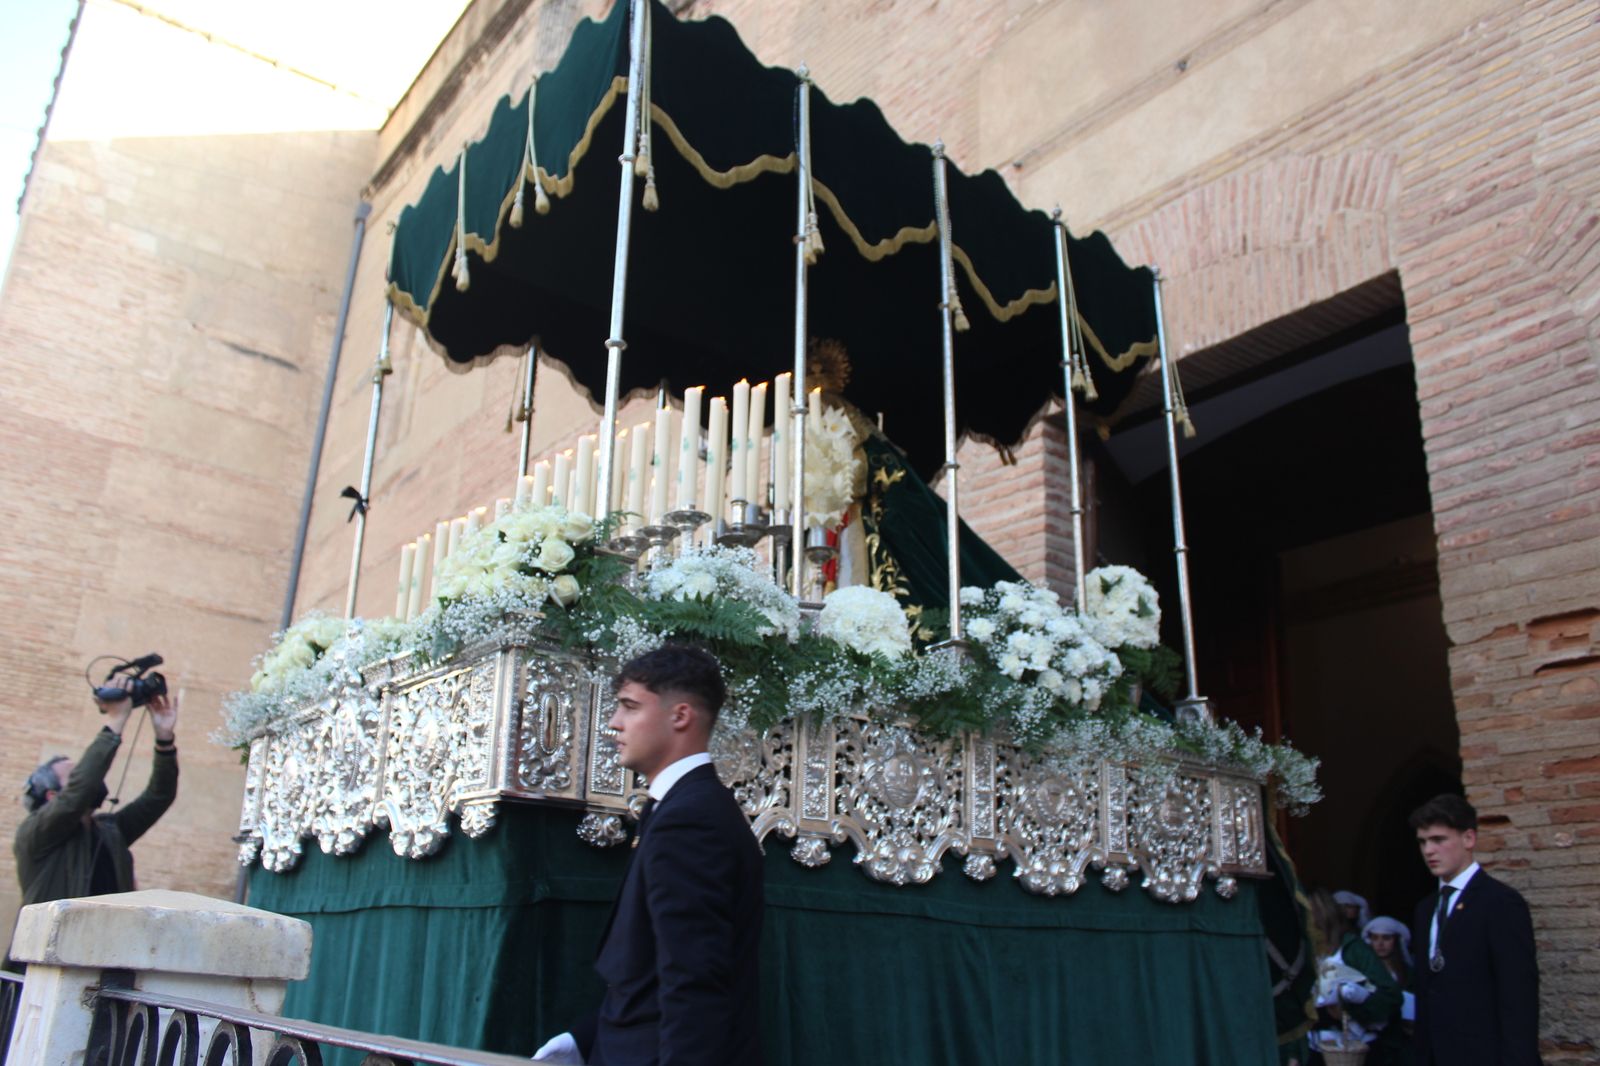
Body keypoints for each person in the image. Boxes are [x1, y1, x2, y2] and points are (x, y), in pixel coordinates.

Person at [534, 645, 763, 1066]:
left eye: (629, 707)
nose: (613, 724)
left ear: (680, 716)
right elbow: (647, 976)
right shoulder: (676, 807)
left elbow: (693, 980)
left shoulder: (690, 820)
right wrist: (584, 1040)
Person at [14, 676, 179, 911]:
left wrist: (164, 740)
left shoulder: (111, 831)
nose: (90, 778)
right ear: (52, 797)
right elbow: (78, 792)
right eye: (74, 776)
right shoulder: (35, 834)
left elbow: (159, 796)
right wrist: (116, 719)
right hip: (54, 947)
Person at [1408, 793, 1540, 1066]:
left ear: (1468, 839)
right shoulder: (1425, 909)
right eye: (1423, 842)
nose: (1428, 850)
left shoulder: (1500, 902)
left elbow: (1518, 996)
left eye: (1439, 840)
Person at [1307, 888, 1404, 1063]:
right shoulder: (1305, 952)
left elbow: (1391, 999)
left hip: (1354, 1051)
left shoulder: (1354, 950)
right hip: (1316, 1048)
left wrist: (1353, 1006)